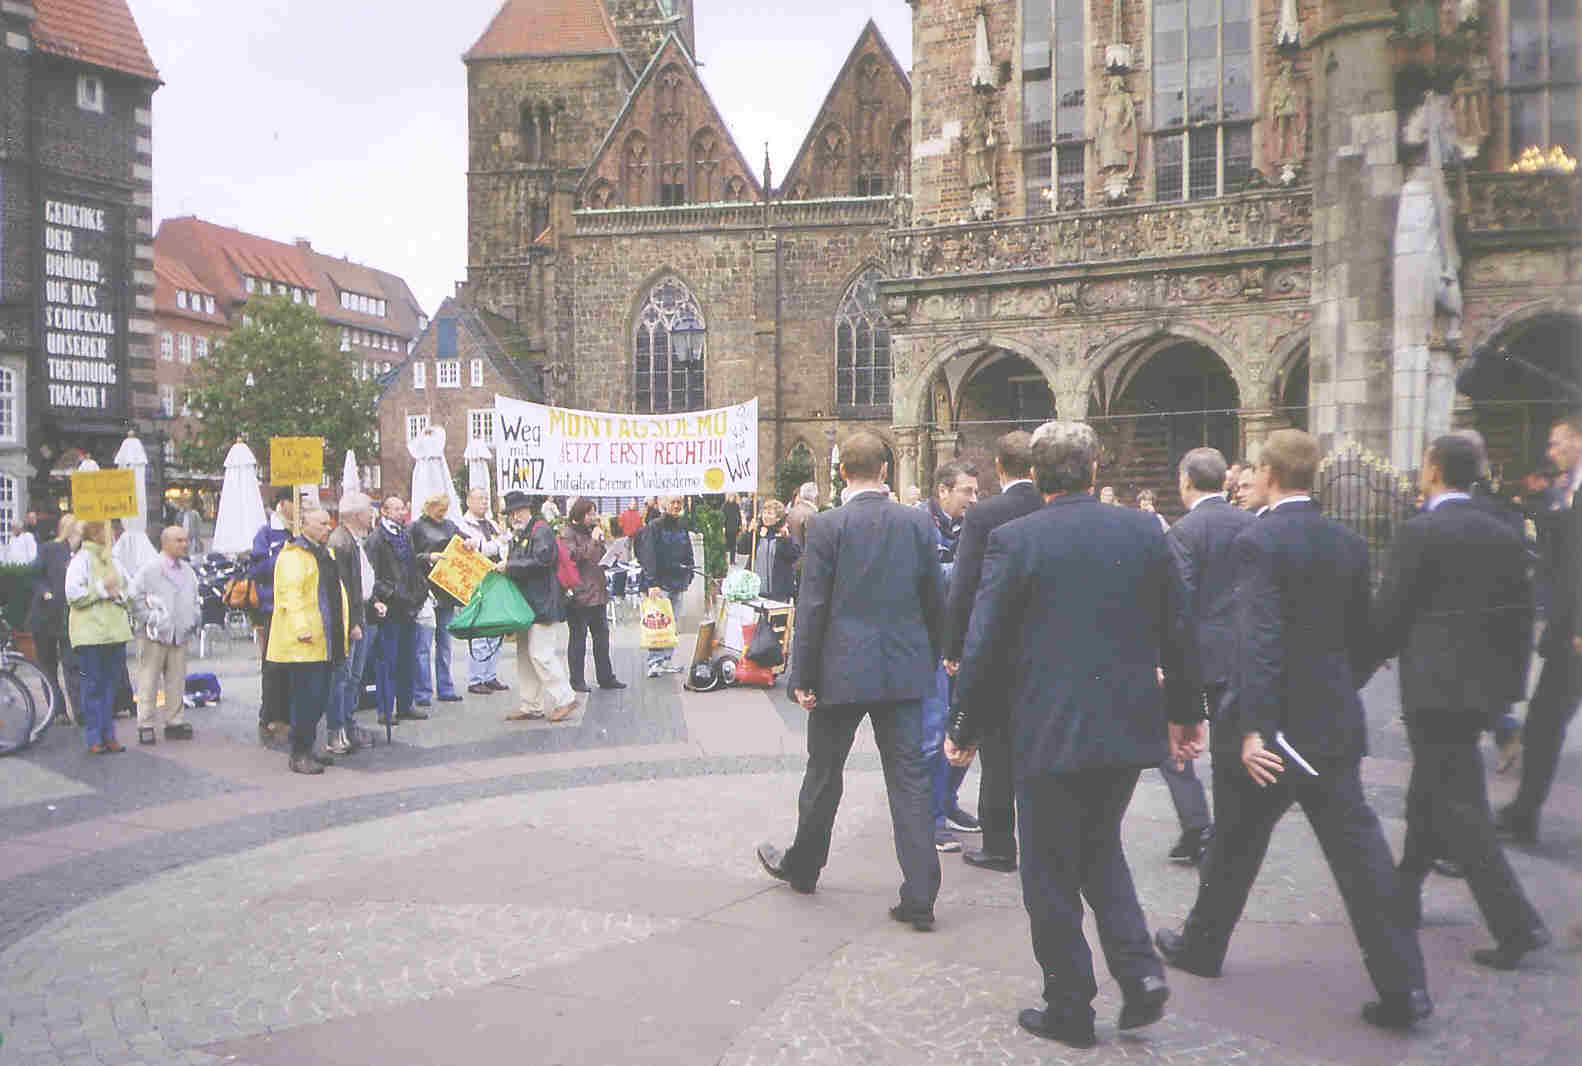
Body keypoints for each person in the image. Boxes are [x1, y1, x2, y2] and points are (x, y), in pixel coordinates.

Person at [1155, 429, 1431, 1031]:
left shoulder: (1259, 540)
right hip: (1331, 721)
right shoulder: (1348, 541)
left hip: (1269, 729)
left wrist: (1255, 727)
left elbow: (1258, 638)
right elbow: (1371, 635)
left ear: (1272, 475)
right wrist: (1335, 688)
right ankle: (1405, 985)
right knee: (1360, 859)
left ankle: (1203, 945)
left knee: (1235, 842)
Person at [947, 421, 1181, 1048]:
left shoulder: (1014, 539)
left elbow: (984, 641)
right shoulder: (1140, 530)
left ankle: (1070, 1006)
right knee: (1099, 849)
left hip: (1047, 728)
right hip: (1125, 726)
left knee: (1050, 870)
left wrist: (963, 726)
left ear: (1037, 475)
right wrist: (1187, 712)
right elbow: (1179, 626)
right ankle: (1139, 975)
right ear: (1095, 469)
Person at [1372, 434, 1550, 969]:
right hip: (1479, 691)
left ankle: (1516, 924)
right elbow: (1522, 620)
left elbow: (1391, 614)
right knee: (1431, 793)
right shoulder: (1503, 531)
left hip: (1433, 692)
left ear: (1432, 469)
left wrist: (1360, 662)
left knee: (1461, 809)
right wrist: (1506, 695)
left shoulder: (1420, 531)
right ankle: (1403, 896)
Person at [756, 431, 945, 929]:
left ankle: (805, 867)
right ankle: (921, 892)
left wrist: (803, 675)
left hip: (840, 669)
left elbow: (813, 606)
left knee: (823, 773)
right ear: (884, 471)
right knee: (909, 781)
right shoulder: (917, 522)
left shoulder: (826, 525)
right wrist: (935, 656)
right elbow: (935, 599)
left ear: (841, 473)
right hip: (902, 670)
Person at [943, 431, 1040, 873]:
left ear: (999, 466)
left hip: (999, 649)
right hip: (1048, 652)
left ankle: (1000, 845)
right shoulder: (1050, 505)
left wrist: (954, 647)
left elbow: (964, 587)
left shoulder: (984, 514)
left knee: (997, 753)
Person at [1160, 448, 1252, 865]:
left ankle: (1199, 827)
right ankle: (1229, 833)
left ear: (1185, 482)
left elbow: (1178, 607)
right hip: (1246, 652)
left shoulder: (1183, 532)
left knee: (1177, 747)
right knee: (1231, 752)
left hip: (1200, 656)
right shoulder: (1251, 525)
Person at [1497, 414, 1582, 844]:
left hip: (1576, 638)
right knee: (1545, 723)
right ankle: (1522, 813)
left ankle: (1522, 815)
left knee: (1546, 723)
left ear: (1578, 439)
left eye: (1556, 443)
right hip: (1567, 633)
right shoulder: (1569, 490)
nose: (1551, 452)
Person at [268, 508, 351, 775]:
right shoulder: (294, 556)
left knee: (319, 698)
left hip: (327, 638)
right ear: (305, 525)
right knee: (307, 699)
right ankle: (299, 753)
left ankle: (309, 748)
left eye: (329, 522)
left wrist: (350, 626)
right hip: (306, 641)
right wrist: (302, 628)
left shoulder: (324, 553)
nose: (328, 527)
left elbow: (336, 593)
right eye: (322, 523)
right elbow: (290, 596)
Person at [924, 459, 979, 853]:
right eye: (967, 491)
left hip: (966, 642)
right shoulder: (920, 524)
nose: (974, 499)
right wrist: (965, 571)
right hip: (933, 644)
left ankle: (948, 800)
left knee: (966, 727)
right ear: (943, 490)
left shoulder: (972, 527)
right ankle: (932, 817)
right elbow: (928, 577)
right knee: (935, 729)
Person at [500, 491, 577, 722]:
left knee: (540, 654)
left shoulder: (540, 530)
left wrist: (510, 565)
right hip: (527, 605)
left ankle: (566, 698)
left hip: (544, 603)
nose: (514, 517)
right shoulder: (520, 533)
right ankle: (531, 705)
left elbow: (542, 561)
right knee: (525, 656)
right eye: (511, 513)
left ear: (527, 509)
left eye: (517, 512)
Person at [127, 525, 202, 745]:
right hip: (154, 635)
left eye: (185, 540)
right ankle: (146, 723)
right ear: (165, 543)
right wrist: (149, 618)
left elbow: (195, 597)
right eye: (179, 540)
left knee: (177, 680)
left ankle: (174, 721)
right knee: (148, 679)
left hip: (180, 633)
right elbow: (133, 595)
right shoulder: (150, 569)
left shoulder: (188, 570)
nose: (184, 544)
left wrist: (194, 618)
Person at [65, 520, 132, 754]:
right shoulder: (80, 560)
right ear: (95, 533)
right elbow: (74, 594)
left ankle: (108, 734)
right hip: (90, 635)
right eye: (107, 529)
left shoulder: (114, 560)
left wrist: (119, 595)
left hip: (115, 632)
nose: (112, 533)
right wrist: (103, 590)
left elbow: (128, 590)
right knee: (92, 685)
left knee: (110, 686)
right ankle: (94, 736)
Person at [366, 496, 429, 725]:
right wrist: (391, 594)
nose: (402, 512)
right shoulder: (376, 539)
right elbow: (372, 576)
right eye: (396, 508)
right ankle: (385, 709)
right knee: (387, 659)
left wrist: (420, 590)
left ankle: (405, 704)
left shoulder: (405, 534)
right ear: (384, 511)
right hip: (390, 605)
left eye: (403, 508)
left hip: (409, 605)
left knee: (407, 657)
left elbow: (411, 565)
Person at [327, 492, 377, 754]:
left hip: (362, 613)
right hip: (352, 619)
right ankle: (338, 729)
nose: (372, 514)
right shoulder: (342, 542)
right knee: (344, 677)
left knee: (353, 677)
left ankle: (347, 724)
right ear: (357, 515)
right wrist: (352, 623)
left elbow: (360, 582)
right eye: (369, 510)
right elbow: (343, 588)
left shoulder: (354, 541)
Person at [409, 493, 467, 706]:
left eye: (445, 508)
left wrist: (469, 542)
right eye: (439, 509)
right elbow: (408, 556)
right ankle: (423, 692)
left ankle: (445, 687)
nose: (442, 513)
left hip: (446, 590)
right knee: (423, 645)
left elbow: (464, 539)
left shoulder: (450, 526)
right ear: (429, 507)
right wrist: (428, 557)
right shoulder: (416, 527)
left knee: (444, 643)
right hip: (425, 591)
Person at [564, 498, 624, 693]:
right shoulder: (568, 533)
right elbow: (572, 557)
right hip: (579, 596)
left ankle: (606, 677)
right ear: (579, 515)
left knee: (602, 638)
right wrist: (592, 542)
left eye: (594, 513)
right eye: (590, 513)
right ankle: (577, 680)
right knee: (578, 639)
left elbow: (599, 559)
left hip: (598, 592)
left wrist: (612, 554)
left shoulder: (593, 533)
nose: (594, 517)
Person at [249, 491, 294, 745]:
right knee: (273, 665)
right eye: (297, 503)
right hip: (273, 609)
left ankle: (289, 714)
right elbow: (257, 569)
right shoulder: (265, 534)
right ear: (283, 503)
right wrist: (285, 556)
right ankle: (269, 717)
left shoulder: (299, 532)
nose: (300, 508)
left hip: (297, 609)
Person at [28, 514, 82, 725]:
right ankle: (57, 710)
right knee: (48, 665)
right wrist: (45, 592)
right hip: (46, 614)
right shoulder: (49, 548)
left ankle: (80, 710)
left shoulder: (82, 553)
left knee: (72, 664)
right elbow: (34, 575)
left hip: (69, 616)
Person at [634, 495, 694, 677]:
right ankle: (655, 661)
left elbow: (688, 552)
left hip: (678, 582)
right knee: (658, 624)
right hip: (660, 585)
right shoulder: (654, 527)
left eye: (679, 503)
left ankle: (666, 660)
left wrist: (689, 573)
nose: (676, 506)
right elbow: (647, 555)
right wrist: (652, 583)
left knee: (672, 624)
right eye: (673, 503)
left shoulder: (682, 526)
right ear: (663, 505)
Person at [457, 488, 509, 694]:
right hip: (477, 580)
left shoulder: (491, 524)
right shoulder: (463, 525)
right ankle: (476, 678)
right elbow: (480, 550)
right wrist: (498, 543)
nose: (485, 503)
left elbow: (502, 547)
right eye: (480, 499)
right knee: (479, 631)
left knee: (496, 629)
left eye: (487, 499)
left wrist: (499, 546)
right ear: (469, 501)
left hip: (496, 578)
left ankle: (490, 675)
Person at [751, 499, 802, 602]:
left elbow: (794, 555)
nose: (765, 516)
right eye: (764, 512)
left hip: (778, 593)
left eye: (770, 513)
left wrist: (785, 539)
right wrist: (749, 532)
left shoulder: (783, 534)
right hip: (757, 589)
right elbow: (742, 548)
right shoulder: (757, 533)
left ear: (778, 518)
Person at [786, 482, 819, 548]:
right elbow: (813, 541)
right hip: (806, 555)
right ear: (815, 496)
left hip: (791, 555)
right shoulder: (811, 514)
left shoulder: (791, 511)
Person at [722, 493, 742, 567]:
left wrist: (740, 525)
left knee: (733, 545)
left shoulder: (736, 505)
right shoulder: (725, 506)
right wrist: (723, 526)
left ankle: (732, 560)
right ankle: (724, 559)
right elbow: (722, 516)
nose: (731, 498)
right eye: (730, 496)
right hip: (727, 527)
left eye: (733, 496)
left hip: (734, 527)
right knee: (726, 544)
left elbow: (739, 515)